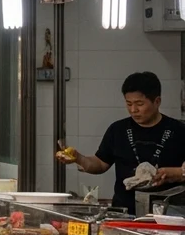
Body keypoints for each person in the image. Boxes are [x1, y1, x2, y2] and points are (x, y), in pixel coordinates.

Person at [57, 72, 185, 214]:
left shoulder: (178, 131)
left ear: (157, 101)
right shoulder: (118, 129)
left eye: (139, 104)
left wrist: (177, 173)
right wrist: (78, 158)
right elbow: (100, 164)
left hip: (168, 214)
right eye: (128, 104)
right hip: (123, 213)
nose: (133, 110)